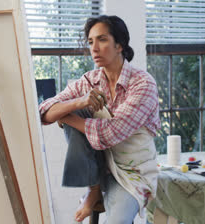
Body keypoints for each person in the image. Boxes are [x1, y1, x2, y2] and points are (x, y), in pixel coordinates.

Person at [39, 15, 160, 223]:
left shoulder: (143, 84)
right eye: (90, 41)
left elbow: (109, 133)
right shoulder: (90, 80)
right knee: (73, 109)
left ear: (119, 44)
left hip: (133, 173)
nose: (94, 48)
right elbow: (43, 112)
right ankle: (93, 190)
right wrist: (78, 103)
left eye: (102, 40)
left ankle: (98, 192)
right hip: (99, 167)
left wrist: (66, 116)